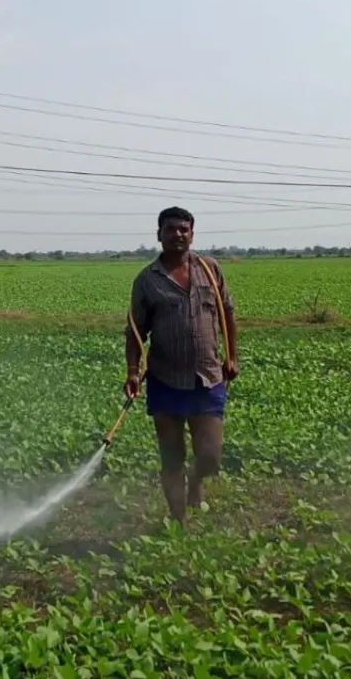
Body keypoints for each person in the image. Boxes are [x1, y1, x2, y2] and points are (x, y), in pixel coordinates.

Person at [124, 206, 239, 525]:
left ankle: (197, 482)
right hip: (165, 379)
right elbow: (134, 331)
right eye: (171, 229)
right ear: (159, 234)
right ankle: (179, 523)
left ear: (192, 233)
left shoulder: (209, 268)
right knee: (172, 457)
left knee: (211, 456)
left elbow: (227, 313)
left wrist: (232, 356)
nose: (178, 234)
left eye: (184, 229)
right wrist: (133, 372)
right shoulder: (147, 280)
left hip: (208, 376)